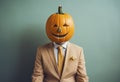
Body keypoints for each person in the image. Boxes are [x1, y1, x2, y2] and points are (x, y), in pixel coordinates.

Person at [32, 6, 89, 82]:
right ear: (48, 27)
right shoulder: (41, 50)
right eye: (55, 26)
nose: (59, 30)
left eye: (65, 25)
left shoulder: (78, 50)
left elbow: (82, 77)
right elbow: (38, 76)